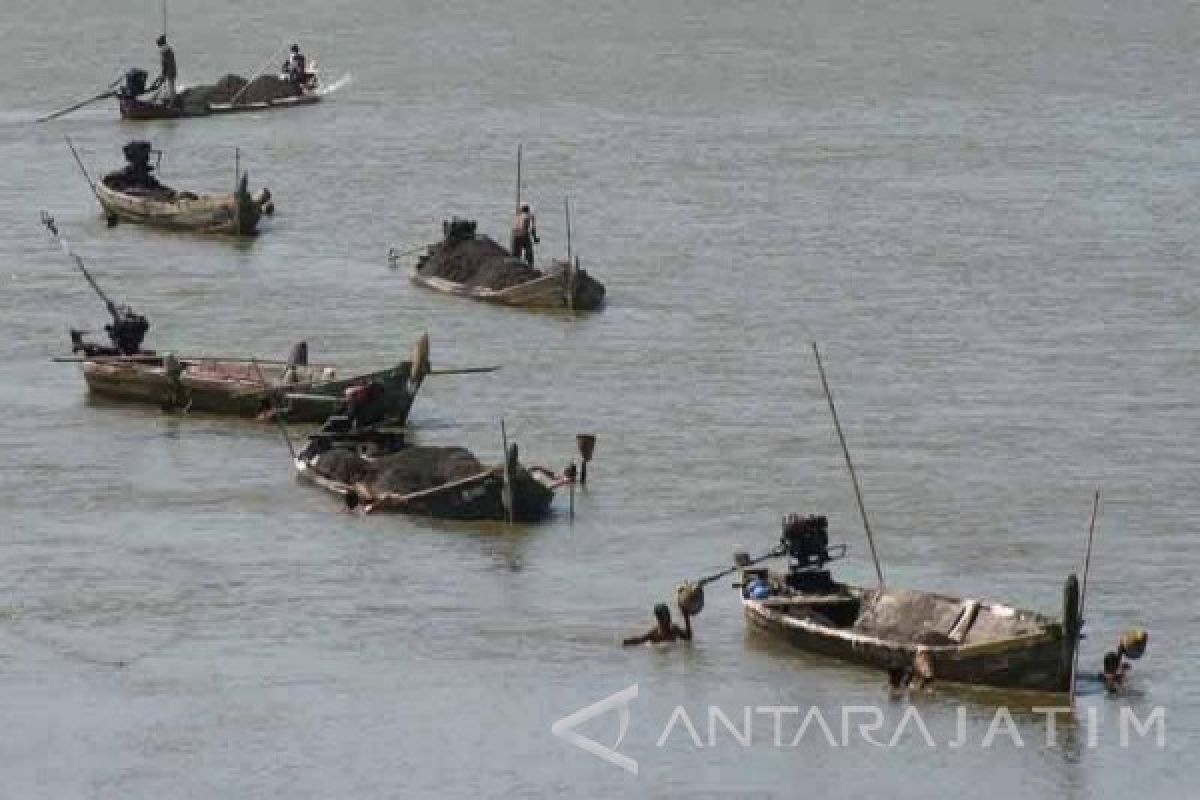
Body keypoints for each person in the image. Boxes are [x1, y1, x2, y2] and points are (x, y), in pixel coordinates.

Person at [623, 603, 692, 646]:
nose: (668, 620)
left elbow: (688, 638)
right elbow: (639, 640)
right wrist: (627, 642)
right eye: (665, 618)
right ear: (658, 619)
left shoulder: (674, 629)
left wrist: (686, 617)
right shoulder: (654, 633)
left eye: (668, 616)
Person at [147, 35, 177, 105]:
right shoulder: (168, 49)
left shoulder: (164, 50)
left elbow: (164, 63)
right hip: (171, 70)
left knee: (170, 87)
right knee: (169, 86)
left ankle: (171, 103)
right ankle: (169, 100)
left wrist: (163, 74)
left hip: (169, 71)